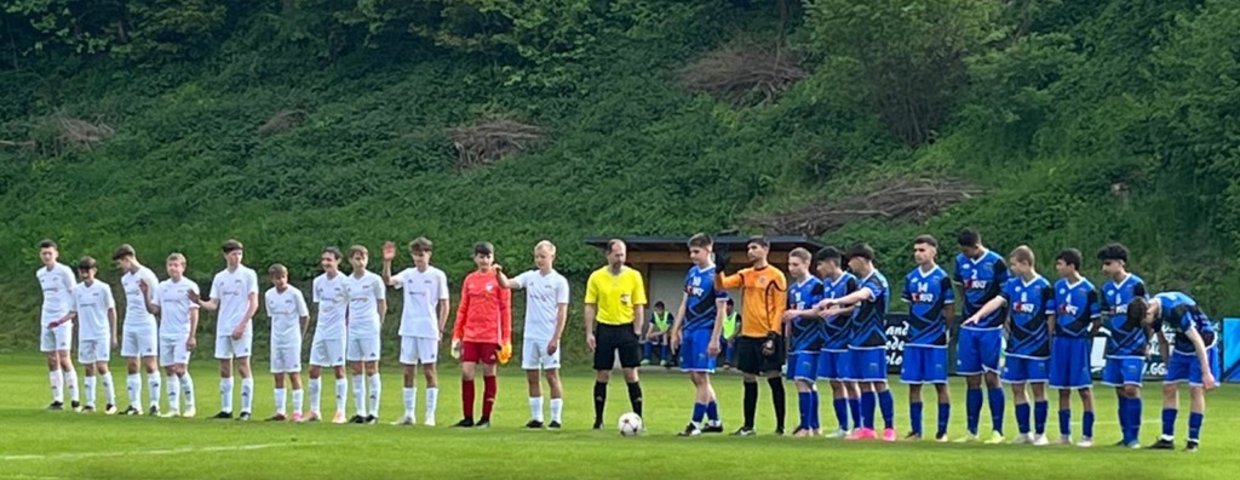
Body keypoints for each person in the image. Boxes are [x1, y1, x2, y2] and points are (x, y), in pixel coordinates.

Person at [965, 246, 1054, 446]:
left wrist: (1047, 341)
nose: (1011, 269)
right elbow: (998, 301)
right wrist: (979, 315)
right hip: (1015, 347)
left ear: (1025, 263)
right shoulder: (1012, 285)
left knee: (1038, 389)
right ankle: (1024, 432)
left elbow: (1050, 318)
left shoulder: (1044, 287)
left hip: (1037, 348)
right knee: (1017, 388)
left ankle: (1040, 434)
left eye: (1014, 265)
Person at [816, 243, 895, 442]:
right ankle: (867, 428)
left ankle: (889, 428)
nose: (849, 265)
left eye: (851, 260)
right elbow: (858, 305)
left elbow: (863, 295)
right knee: (863, 383)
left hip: (873, 339)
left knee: (879, 382)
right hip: (856, 339)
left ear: (860, 259)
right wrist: (838, 310)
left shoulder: (877, 280)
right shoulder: (861, 281)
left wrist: (836, 301)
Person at [1131, 292, 1219, 452]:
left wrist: (1206, 372)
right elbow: (1162, 341)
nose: (1146, 325)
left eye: (1144, 322)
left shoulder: (1177, 310)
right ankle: (1167, 439)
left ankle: (1193, 441)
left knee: (1196, 389)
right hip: (1182, 344)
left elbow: (1197, 340)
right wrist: (1168, 365)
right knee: (1169, 387)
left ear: (1148, 312)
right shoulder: (1154, 310)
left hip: (1203, 343)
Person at [718, 236, 787, 436]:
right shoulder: (745, 274)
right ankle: (748, 426)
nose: (750, 251)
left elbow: (779, 307)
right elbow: (721, 285)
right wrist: (719, 269)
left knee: (773, 377)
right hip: (748, 335)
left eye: (754, 247)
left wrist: (773, 334)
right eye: (748, 248)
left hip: (767, 334)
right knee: (748, 378)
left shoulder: (776, 275)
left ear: (766, 249)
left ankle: (780, 426)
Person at [496, 240, 570, 429]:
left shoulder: (559, 282)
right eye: (537, 257)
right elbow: (507, 284)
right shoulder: (530, 277)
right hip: (531, 335)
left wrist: (556, 338)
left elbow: (562, 312)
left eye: (543, 256)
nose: (539, 260)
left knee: (552, 375)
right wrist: (498, 273)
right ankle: (537, 418)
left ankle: (556, 418)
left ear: (552, 256)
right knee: (532, 376)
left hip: (548, 335)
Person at [382, 237, 450, 427]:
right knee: (408, 371)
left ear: (429, 254)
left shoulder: (437, 275)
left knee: (429, 371)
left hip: (428, 329)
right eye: (416, 255)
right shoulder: (408, 274)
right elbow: (388, 281)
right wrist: (387, 262)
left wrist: (440, 328)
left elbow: (444, 304)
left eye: (422, 254)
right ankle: (409, 414)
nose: (419, 258)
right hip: (409, 328)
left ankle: (430, 415)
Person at [191, 239, 259, 421]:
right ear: (225, 255)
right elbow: (214, 304)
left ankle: (246, 409)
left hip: (241, 326)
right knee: (224, 366)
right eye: (233, 254)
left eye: (239, 254)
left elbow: (254, 303)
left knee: (243, 365)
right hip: (223, 327)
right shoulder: (220, 277)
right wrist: (199, 301)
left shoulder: (248, 274)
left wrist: (242, 324)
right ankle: (226, 408)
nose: (237, 257)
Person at [584, 239, 647, 430]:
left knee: (631, 373)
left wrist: (637, 331)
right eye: (617, 255)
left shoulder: (634, 276)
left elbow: (639, 306)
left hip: (626, 328)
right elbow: (590, 305)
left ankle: (639, 419)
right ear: (608, 255)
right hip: (605, 328)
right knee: (603, 373)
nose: (620, 258)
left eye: (623, 255)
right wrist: (589, 332)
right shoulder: (597, 277)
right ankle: (598, 419)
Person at [952, 228, 1008, 443]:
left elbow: (1005, 294)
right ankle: (972, 431)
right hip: (969, 327)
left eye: (967, 251)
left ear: (977, 246)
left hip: (992, 327)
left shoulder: (996, 262)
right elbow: (962, 289)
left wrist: (1003, 321)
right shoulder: (960, 262)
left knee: (992, 377)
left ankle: (997, 430)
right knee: (971, 379)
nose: (964, 254)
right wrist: (969, 312)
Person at [669, 234, 728, 436]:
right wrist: (675, 330)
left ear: (708, 249)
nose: (693, 256)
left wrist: (715, 338)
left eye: (696, 251)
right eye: (691, 252)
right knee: (695, 376)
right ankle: (715, 420)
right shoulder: (692, 273)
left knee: (701, 376)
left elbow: (721, 310)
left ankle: (695, 424)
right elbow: (684, 303)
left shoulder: (716, 276)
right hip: (689, 330)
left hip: (705, 331)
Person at [451, 241, 512, 428]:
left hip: (491, 334)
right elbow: (463, 307)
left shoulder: (499, 279)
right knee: (466, 372)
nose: (484, 260)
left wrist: (506, 338)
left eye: (488, 257)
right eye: (481, 257)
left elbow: (505, 310)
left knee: (489, 372)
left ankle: (485, 418)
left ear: (492, 258)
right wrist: (457, 334)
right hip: (471, 334)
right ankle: (468, 417)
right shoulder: (470, 279)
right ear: (475, 258)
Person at [900, 235, 955, 441]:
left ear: (933, 251)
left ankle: (942, 431)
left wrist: (945, 331)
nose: (918, 254)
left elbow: (949, 308)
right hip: (914, 339)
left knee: (940, 384)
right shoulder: (911, 278)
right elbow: (910, 306)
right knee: (914, 384)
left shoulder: (942, 278)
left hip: (935, 339)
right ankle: (916, 431)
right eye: (915, 250)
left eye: (922, 250)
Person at [1097, 243, 1148, 448]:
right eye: (1103, 264)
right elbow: (1105, 316)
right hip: (1115, 346)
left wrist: (1147, 341)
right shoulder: (1106, 289)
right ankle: (1125, 435)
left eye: (1108, 264)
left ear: (1120, 263)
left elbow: (1146, 314)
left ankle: (1134, 437)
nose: (1104, 268)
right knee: (1119, 390)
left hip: (1134, 345)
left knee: (1131, 389)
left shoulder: (1136, 285)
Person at [1049, 248, 1101, 447]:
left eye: (1060, 264)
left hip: (1078, 343)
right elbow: (1053, 314)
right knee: (1062, 389)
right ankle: (1065, 435)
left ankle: (1087, 436)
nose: (1058, 268)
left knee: (1084, 389)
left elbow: (1096, 321)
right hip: (1060, 342)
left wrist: (1085, 336)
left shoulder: (1088, 290)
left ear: (1072, 266)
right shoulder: (1058, 287)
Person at [142, 253, 200, 418]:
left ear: (183, 267)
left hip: (182, 332)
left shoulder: (190, 286)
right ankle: (173, 408)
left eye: (176, 265)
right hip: (165, 332)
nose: (173, 268)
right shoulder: (162, 286)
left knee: (180, 369)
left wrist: (192, 335)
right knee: (169, 370)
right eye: (170, 265)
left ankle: (190, 406)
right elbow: (154, 309)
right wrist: (145, 294)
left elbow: (194, 312)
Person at [813, 246, 860, 439]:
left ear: (832, 263)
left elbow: (857, 306)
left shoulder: (850, 281)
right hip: (828, 339)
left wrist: (838, 310)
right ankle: (843, 426)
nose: (818, 268)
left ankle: (859, 426)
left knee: (849, 382)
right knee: (834, 383)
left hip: (846, 339)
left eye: (821, 264)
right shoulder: (825, 284)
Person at [781, 247, 825, 437]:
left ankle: (805, 426)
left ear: (807, 263)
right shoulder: (792, 290)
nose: (791, 268)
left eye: (795, 264)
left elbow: (819, 311)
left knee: (802, 380)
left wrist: (797, 313)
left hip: (812, 340)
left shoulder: (816, 286)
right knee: (807, 382)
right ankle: (814, 426)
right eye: (790, 264)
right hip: (796, 341)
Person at [114, 244, 162, 416]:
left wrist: (146, 294)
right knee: (132, 364)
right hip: (130, 323)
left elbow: (156, 303)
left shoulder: (148, 275)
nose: (120, 267)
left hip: (145, 323)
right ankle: (135, 405)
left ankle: (155, 405)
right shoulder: (125, 279)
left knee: (150, 364)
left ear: (127, 259)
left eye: (120, 263)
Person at [342, 245, 387, 425]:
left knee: (371, 367)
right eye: (356, 258)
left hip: (370, 327)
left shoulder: (374, 280)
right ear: (350, 260)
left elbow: (382, 303)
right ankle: (360, 412)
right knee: (355, 368)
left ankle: (373, 412)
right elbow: (346, 305)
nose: (360, 261)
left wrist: (378, 324)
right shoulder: (347, 282)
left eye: (363, 258)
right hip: (354, 328)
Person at [36, 239, 81, 411]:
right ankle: (58, 399)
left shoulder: (64, 271)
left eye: (49, 253)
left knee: (64, 357)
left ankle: (75, 399)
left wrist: (72, 313)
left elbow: (74, 292)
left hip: (62, 318)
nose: (47, 256)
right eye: (44, 253)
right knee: (51, 359)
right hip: (46, 319)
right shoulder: (40, 273)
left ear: (56, 254)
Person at [307, 247, 350, 423]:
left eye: (329, 260)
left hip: (337, 331)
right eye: (323, 259)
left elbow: (352, 306)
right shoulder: (318, 282)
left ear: (338, 261)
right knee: (313, 369)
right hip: (321, 330)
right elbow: (319, 306)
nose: (325, 263)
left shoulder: (345, 282)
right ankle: (314, 411)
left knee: (339, 369)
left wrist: (347, 324)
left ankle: (341, 412)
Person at [71, 256, 118, 414]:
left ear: (94, 271)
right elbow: (73, 311)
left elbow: (111, 310)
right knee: (88, 367)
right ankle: (90, 403)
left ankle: (111, 403)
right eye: (82, 271)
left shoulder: (103, 288)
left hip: (101, 332)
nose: (85, 274)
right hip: (85, 334)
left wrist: (113, 334)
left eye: (88, 271)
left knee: (102, 366)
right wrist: (59, 321)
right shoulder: (77, 290)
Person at [263, 264, 309, 422]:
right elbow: (272, 317)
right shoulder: (269, 295)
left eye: (283, 277)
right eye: (277, 278)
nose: (281, 281)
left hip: (292, 339)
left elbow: (305, 316)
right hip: (276, 339)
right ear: (272, 279)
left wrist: (300, 335)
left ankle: (297, 411)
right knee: (277, 374)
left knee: (293, 373)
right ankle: (280, 411)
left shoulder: (295, 293)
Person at [643, 301, 673, 367]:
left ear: (662, 309)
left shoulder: (668, 315)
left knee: (664, 336)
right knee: (647, 336)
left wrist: (655, 334)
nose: (657, 312)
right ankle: (646, 358)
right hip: (659, 333)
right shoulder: (654, 315)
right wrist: (648, 334)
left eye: (658, 310)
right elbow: (651, 326)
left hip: (669, 334)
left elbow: (665, 330)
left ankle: (663, 359)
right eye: (656, 310)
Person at [720, 300, 740, 369]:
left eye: (728, 306)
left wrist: (731, 337)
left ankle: (727, 362)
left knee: (730, 343)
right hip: (723, 337)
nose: (726, 308)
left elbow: (738, 329)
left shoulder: (736, 316)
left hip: (734, 337)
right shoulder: (722, 315)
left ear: (731, 306)